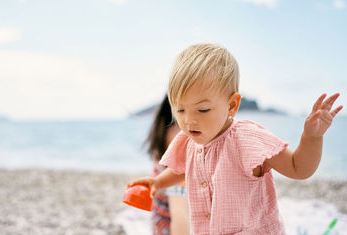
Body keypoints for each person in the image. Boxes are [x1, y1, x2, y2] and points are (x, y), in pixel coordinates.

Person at [128, 43, 343, 235]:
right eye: (180, 109)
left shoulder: (247, 140)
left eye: (202, 110)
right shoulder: (189, 142)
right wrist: (159, 182)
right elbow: (181, 170)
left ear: (232, 105)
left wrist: (312, 138)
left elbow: (299, 168)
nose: (189, 120)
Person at [145, 95, 190, 235]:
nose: (187, 132)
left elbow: (180, 215)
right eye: (178, 123)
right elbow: (180, 217)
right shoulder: (176, 165)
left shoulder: (165, 157)